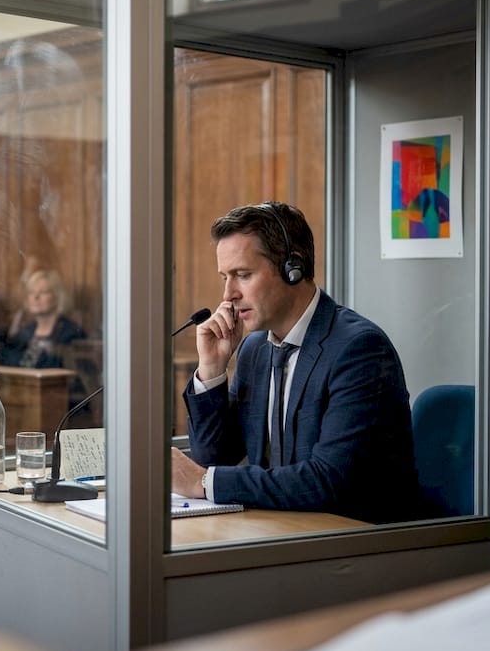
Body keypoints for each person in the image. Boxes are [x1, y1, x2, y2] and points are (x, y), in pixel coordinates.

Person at [170, 201, 422, 523]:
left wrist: (202, 481)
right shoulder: (255, 349)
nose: (228, 294)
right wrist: (212, 370)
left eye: (242, 275)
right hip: (285, 527)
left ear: (293, 268)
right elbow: (214, 458)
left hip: (357, 540)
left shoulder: (360, 349)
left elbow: (327, 480)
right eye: (224, 278)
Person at [1, 269, 86, 369]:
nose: (35, 297)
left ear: (57, 297)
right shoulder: (24, 332)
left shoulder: (71, 333)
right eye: (31, 292)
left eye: (43, 292)